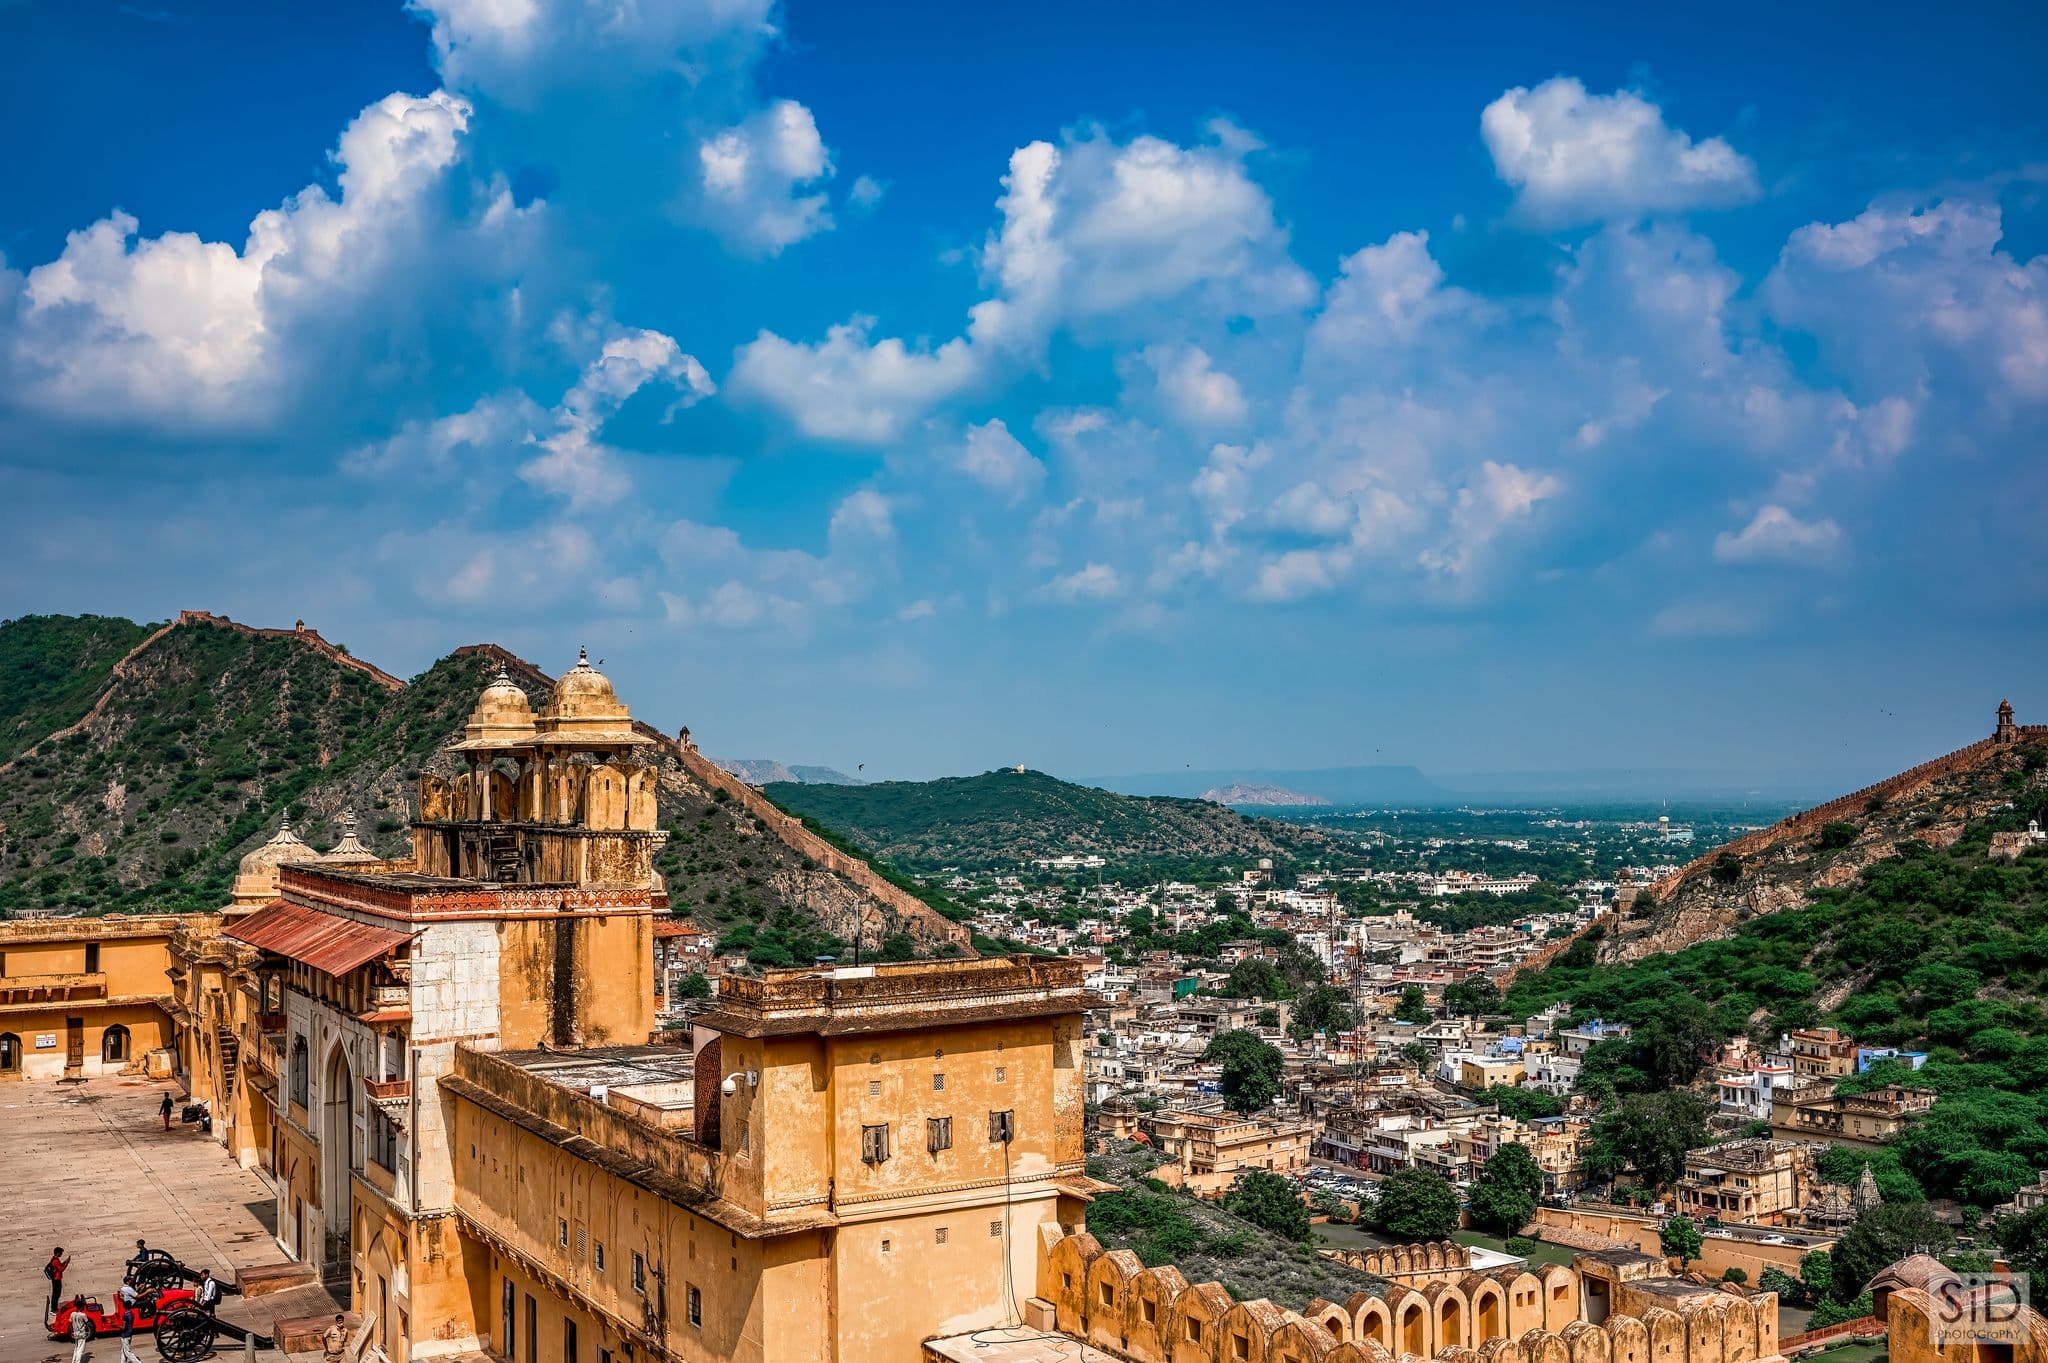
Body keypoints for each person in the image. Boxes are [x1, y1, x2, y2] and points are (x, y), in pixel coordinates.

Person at [115, 1277, 142, 1363]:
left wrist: (114, 1325)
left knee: (127, 1352)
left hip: (125, 1335)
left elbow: (123, 1327)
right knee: (123, 1351)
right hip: (129, 1334)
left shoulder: (125, 1315)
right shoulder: (131, 1314)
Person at [45, 1246, 70, 1317]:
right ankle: (53, 1309)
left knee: (56, 1294)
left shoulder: (55, 1259)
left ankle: (54, 1308)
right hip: (56, 1279)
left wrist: (65, 1262)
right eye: (61, 1253)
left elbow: (60, 1266)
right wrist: (67, 1263)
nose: (61, 1254)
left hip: (56, 1279)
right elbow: (61, 1269)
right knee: (56, 1295)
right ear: (57, 1253)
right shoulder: (55, 1261)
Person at [69, 1294, 94, 1363]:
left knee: (76, 1348)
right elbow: (88, 1323)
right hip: (82, 1334)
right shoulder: (83, 1315)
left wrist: (71, 1332)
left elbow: (70, 1324)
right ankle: (77, 1361)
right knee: (80, 1349)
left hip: (75, 1333)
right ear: (82, 1307)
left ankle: (73, 1361)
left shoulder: (72, 1314)